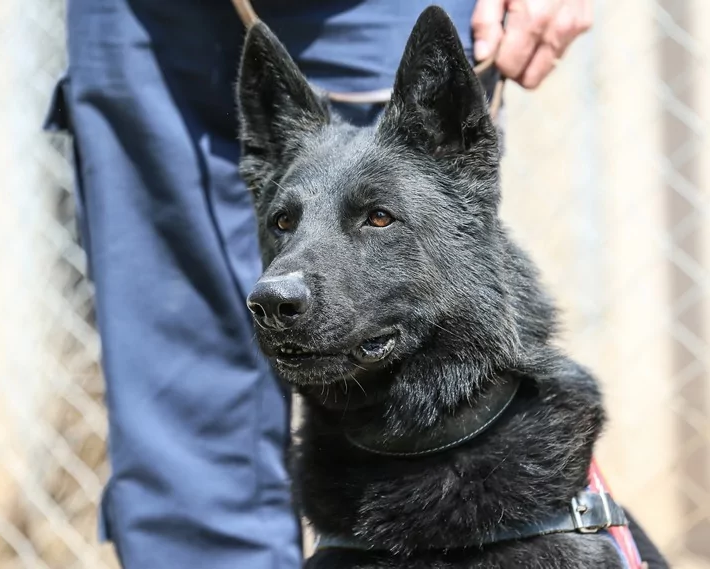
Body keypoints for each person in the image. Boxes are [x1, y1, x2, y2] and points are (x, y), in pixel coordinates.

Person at [44, 1, 591, 567]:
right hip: (150, 15)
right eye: (285, 224)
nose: (279, 284)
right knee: (184, 414)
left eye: (376, 219)